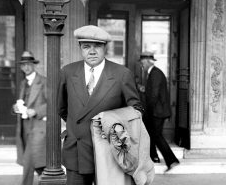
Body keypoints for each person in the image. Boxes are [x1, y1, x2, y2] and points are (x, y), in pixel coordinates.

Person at [57, 25, 144, 185]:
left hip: (109, 151)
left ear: (105, 48)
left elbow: (136, 110)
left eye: (97, 46)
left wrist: (109, 120)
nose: (92, 51)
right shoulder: (68, 72)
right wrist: (78, 129)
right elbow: (62, 108)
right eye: (86, 47)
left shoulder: (121, 74)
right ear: (80, 49)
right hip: (76, 150)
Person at [138, 51, 179, 172]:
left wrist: (146, 111)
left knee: (156, 135)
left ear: (146, 62)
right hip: (157, 111)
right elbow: (153, 91)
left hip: (157, 112)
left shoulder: (155, 74)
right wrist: (144, 89)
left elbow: (154, 96)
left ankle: (171, 160)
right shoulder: (154, 73)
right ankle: (155, 157)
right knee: (152, 134)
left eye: (142, 63)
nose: (141, 65)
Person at [13, 51, 47, 185]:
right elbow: (22, 102)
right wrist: (15, 108)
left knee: (29, 160)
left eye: (29, 64)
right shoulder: (23, 83)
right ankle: (48, 181)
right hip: (25, 126)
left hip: (38, 127)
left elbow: (53, 103)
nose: (26, 67)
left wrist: (36, 111)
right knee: (38, 163)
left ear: (34, 65)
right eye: (23, 65)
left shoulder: (44, 81)